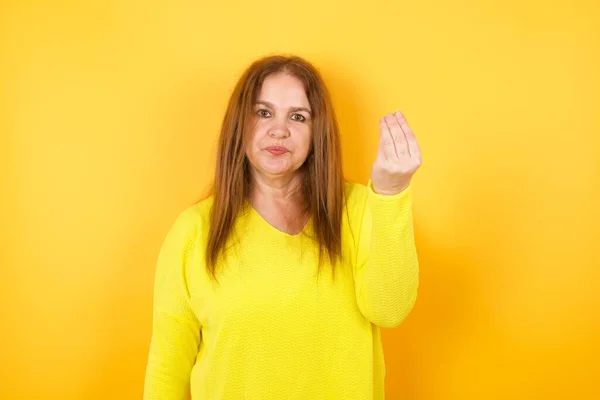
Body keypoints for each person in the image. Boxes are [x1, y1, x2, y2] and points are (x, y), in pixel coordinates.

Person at [143, 54, 421, 400]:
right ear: (239, 125)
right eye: (263, 112)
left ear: (316, 133)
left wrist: (391, 193)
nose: (279, 129)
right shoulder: (194, 230)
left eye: (298, 116)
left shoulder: (362, 209)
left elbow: (390, 310)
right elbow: (168, 368)